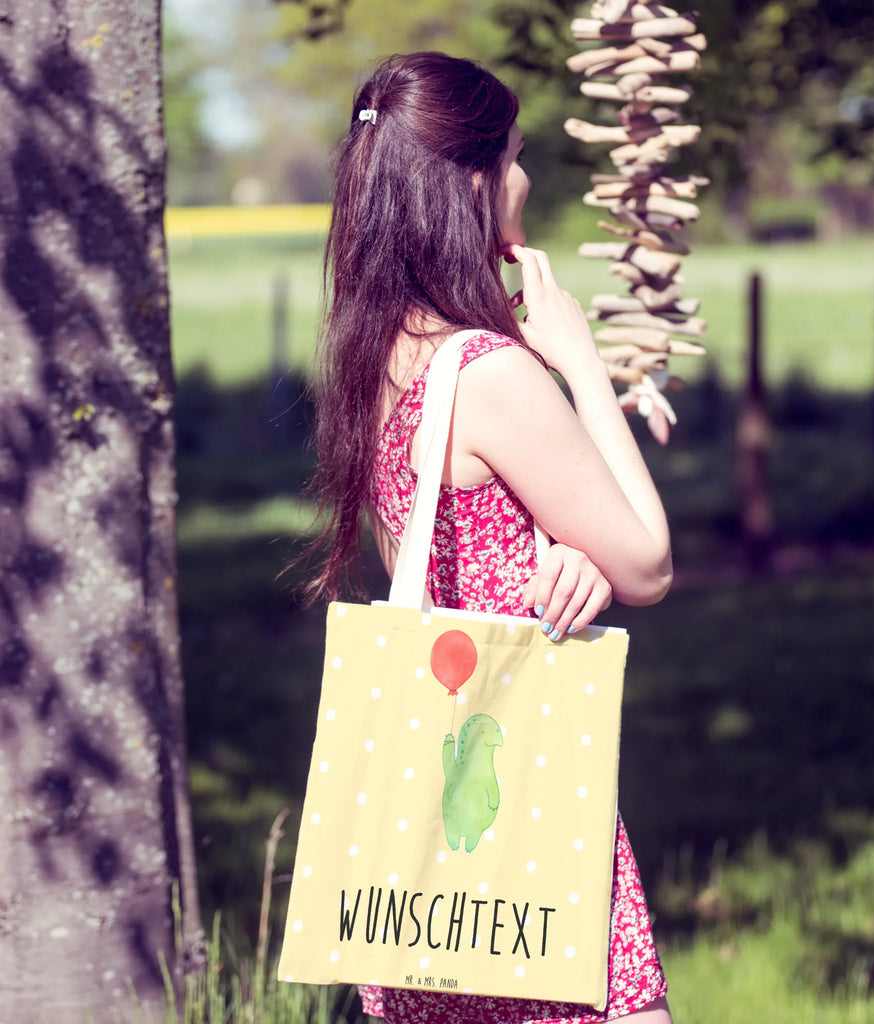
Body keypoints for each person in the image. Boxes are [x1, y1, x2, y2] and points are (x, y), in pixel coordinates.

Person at [304, 51, 674, 1024]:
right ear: (470, 181)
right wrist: (581, 362)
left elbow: (434, 562)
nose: (524, 178)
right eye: (512, 156)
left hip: (425, 860)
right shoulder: (491, 372)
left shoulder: (378, 358)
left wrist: (559, 557)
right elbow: (648, 560)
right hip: (528, 823)